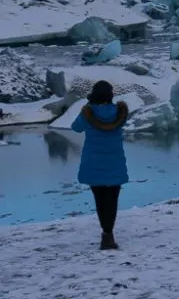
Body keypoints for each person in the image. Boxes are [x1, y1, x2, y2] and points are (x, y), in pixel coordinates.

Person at [70, 81, 130, 251]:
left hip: (93, 164)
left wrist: (90, 105)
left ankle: (106, 234)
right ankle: (108, 234)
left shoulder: (88, 113)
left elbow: (75, 128)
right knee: (112, 200)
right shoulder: (120, 112)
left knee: (100, 200)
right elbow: (123, 122)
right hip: (115, 163)